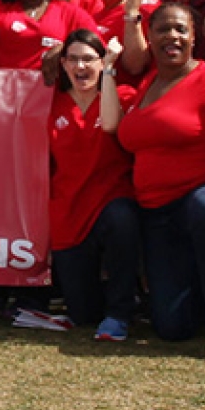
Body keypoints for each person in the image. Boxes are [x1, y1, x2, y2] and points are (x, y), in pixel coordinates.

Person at [107, 5, 205, 362]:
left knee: (204, 205)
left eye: (181, 29)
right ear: (149, 38)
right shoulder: (147, 84)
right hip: (159, 214)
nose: (172, 37)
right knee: (172, 327)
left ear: (194, 36)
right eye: (163, 30)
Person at [37, 30, 139, 339]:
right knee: (82, 314)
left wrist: (108, 72)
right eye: (73, 60)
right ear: (64, 64)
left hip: (111, 201)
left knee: (123, 220)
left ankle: (121, 311)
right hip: (69, 211)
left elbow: (111, 124)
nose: (81, 67)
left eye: (89, 60)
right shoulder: (49, 103)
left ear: (103, 61)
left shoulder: (122, 96)